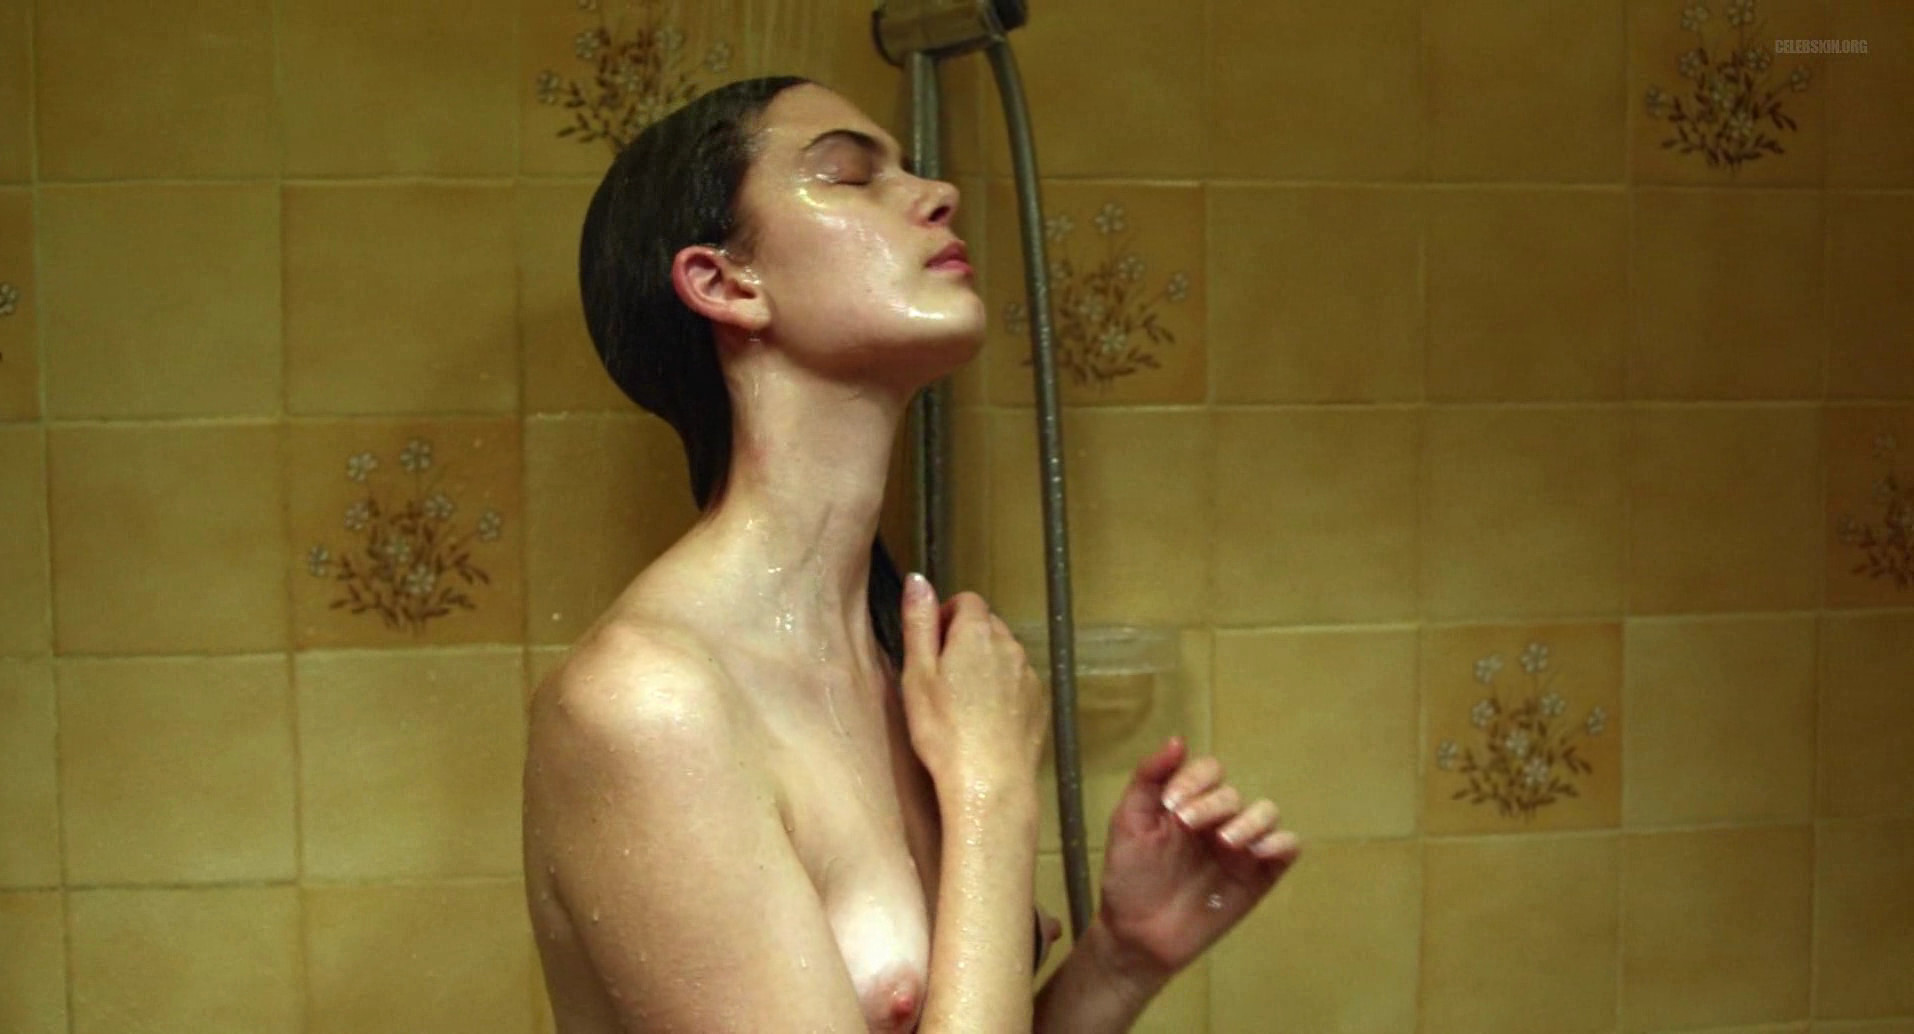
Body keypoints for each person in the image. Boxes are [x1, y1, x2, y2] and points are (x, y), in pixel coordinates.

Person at [522, 75, 1303, 1033]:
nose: (938, 193)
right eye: (849, 177)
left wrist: (1119, 961)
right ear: (725, 284)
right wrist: (991, 794)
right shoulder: (647, 705)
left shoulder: (907, 675)